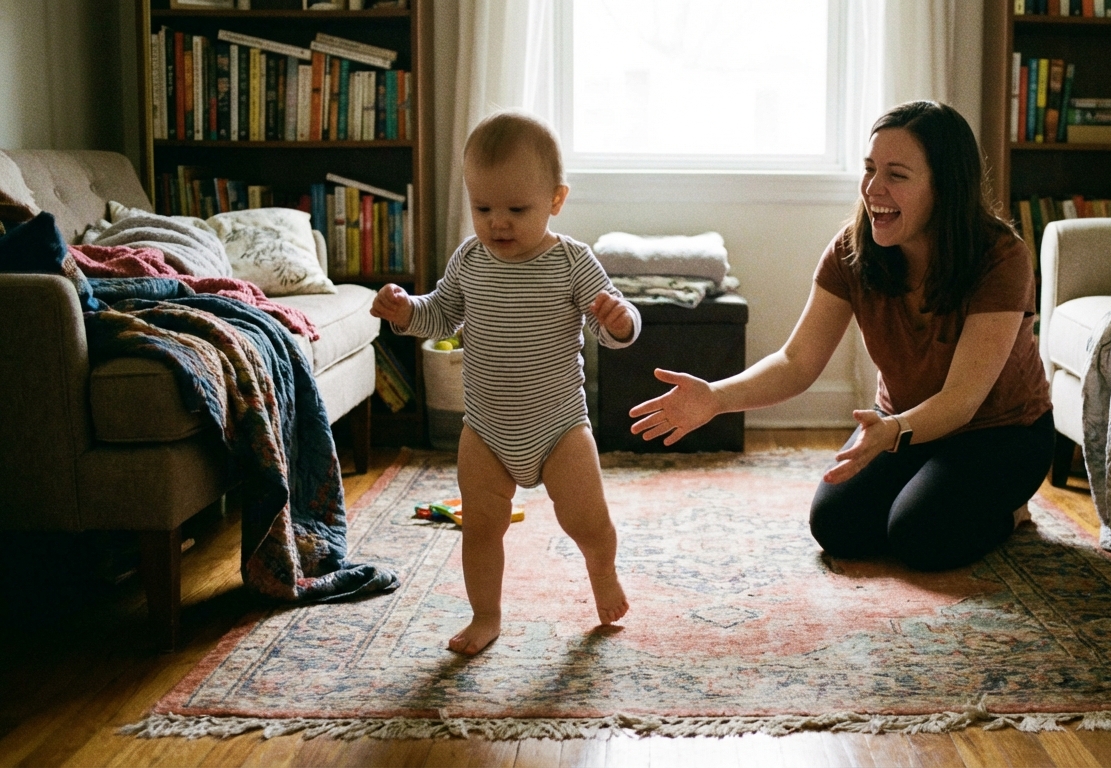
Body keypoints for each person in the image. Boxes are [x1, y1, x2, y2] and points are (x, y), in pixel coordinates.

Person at [629, 100, 1054, 571]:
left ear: (945, 186)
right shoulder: (854, 251)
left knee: (920, 537)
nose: (874, 188)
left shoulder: (1000, 257)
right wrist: (715, 398)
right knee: (838, 527)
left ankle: (1011, 511)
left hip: (1001, 433)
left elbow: (963, 398)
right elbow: (796, 362)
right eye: (870, 169)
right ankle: (934, 490)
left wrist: (892, 432)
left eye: (897, 174)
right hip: (900, 427)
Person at [371, 111, 640, 655]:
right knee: (480, 530)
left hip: (559, 427)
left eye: (517, 209)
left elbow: (613, 327)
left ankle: (602, 570)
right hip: (487, 430)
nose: (498, 222)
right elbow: (440, 315)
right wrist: (403, 311)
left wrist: (619, 320)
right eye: (482, 208)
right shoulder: (469, 259)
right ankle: (485, 615)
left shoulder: (571, 261)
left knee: (588, 521)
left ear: (555, 201)